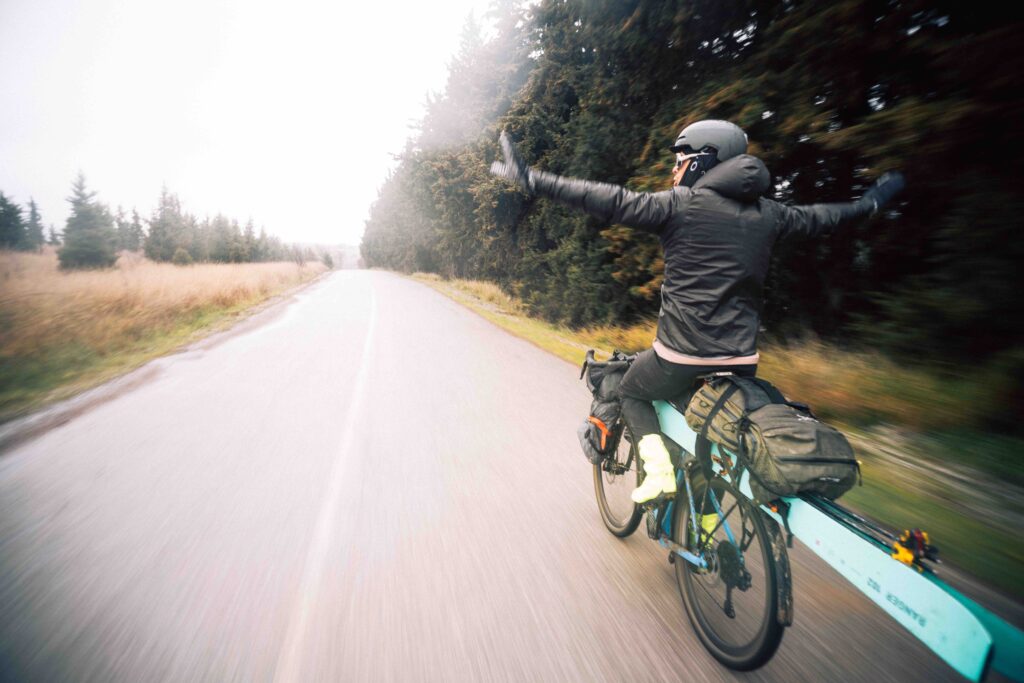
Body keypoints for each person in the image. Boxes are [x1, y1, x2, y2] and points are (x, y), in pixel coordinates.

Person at [490, 120, 904, 504]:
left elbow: (608, 199)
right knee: (705, 431)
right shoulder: (771, 213)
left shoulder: (680, 205)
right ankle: (703, 517)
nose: (674, 171)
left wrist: (532, 179)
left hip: (681, 356)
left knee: (631, 390)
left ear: (704, 161)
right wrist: (869, 203)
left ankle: (658, 474)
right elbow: (824, 217)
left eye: (679, 161)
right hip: (743, 362)